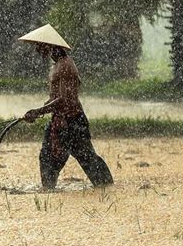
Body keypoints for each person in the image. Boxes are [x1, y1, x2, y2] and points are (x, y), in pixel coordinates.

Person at [19, 24, 113, 189]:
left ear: (49, 46)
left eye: (39, 46)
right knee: (77, 157)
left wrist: (39, 111)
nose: (37, 50)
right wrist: (38, 111)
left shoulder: (65, 66)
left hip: (71, 121)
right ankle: (104, 186)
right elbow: (54, 98)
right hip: (63, 120)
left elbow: (64, 99)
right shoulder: (57, 66)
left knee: (76, 157)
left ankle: (49, 191)